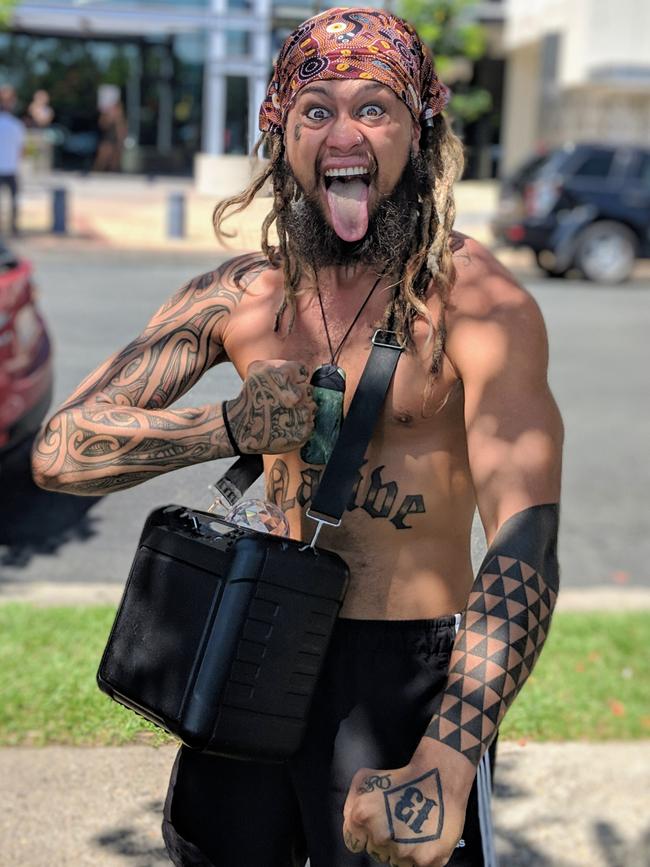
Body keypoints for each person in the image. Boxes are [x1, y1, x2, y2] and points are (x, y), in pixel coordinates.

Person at [32, 8, 563, 867]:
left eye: (375, 107)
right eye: (315, 110)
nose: (343, 131)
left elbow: (527, 536)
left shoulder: (477, 301)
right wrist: (225, 426)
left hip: (401, 670)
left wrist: (448, 759)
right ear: (280, 136)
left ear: (419, 132)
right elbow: (59, 451)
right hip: (254, 648)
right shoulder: (239, 295)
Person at [0, 85, 26, 236]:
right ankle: (14, 228)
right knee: (14, 200)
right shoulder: (17, 125)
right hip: (11, 168)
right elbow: (21, 150)